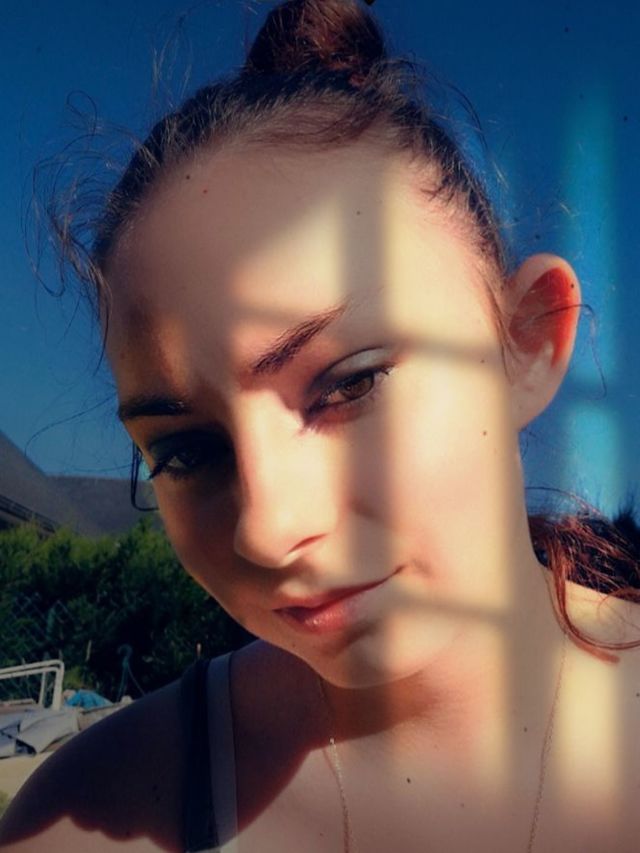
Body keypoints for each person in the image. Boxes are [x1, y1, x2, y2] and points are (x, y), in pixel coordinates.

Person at [1, 1, 639, 850]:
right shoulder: (87, 822)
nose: (267, 532)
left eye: (351, 383)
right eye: (187, 451)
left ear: (524, 344)